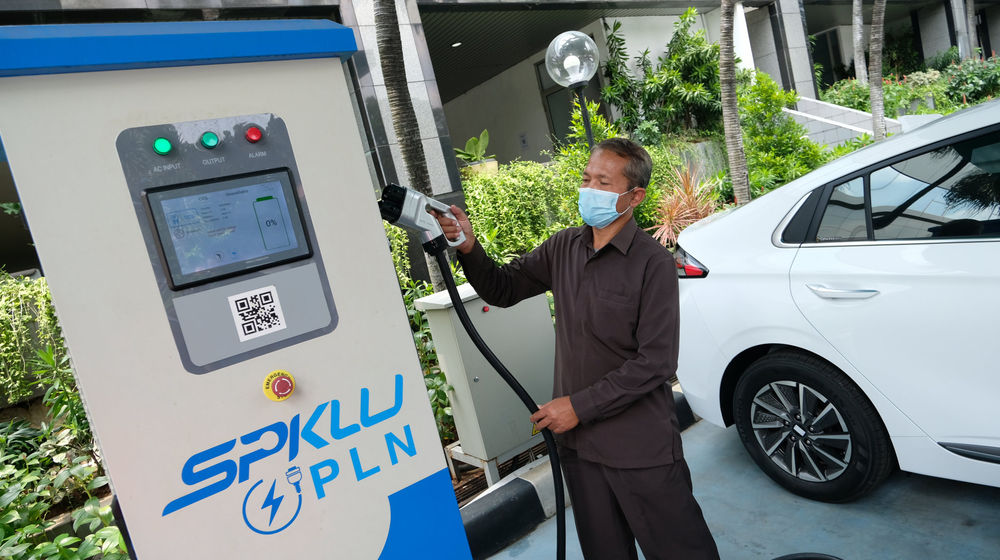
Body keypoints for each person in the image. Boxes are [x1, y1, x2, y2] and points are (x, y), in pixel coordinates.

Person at [434, 137, 719, 560]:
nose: (588, 189)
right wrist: (470, 248)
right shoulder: (563, 247)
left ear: (634, 196)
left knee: (681, 551)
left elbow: (656, 362)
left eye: (602, 182)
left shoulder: (653, 264)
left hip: (640, 448)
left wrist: (578, 406)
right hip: (580, 450)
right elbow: (503, 288)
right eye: (587, 178)